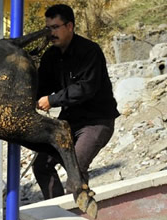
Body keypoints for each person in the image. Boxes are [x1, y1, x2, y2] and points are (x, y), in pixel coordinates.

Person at [33, 4, 120, 199]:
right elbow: (41, 87)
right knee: (41, 166)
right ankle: (57, 212)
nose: (51, 33)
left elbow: (85, 88)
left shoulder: (90, 51)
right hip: (70, 121)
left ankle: (75, 218)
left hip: (97, 121)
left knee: (76, 170)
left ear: (70, 26)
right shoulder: (50, 56)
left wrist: (52, 100)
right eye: (48, 28)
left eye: (55, 27)